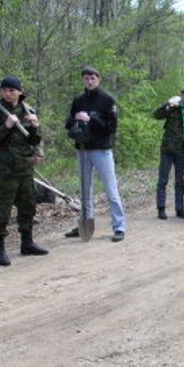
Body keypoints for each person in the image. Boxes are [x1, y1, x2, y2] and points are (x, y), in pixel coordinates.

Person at [0, 75, 48, 266]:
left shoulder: (28, 110)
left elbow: (34, 141)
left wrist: (34, 128)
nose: (7, 94)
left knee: (28, 206)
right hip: (4, 168)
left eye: (11, 90)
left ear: (19, 91)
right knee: (2, 209)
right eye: (4, 90)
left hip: (25, 166)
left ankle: (27, 243)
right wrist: (6, 126)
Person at [64, 66, 126, 242]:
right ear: (83, 80)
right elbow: (68, 123)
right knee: (84, 191)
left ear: (99, 79)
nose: (89, 81)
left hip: (102, 150)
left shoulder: (107, 100)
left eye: (92, 78)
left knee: (111, 189)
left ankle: (119, 227)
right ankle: (85, 223)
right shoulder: (78, 100)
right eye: (86, 78)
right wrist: (76, 118)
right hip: (82, 150)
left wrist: (91, 118)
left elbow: (111, 128)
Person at [154, 88, 184, 220]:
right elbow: (156, 115)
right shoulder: (173, 107)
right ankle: (161, 209)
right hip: (168, 149)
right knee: (163, 180)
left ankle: (180, 209)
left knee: (180, 182)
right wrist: (166, 105)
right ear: (181, 96)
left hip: (182, 151)